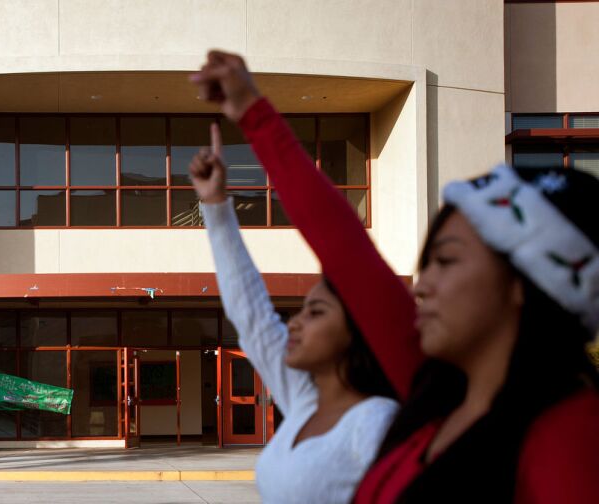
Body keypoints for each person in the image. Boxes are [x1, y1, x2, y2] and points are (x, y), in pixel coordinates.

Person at [189, 50, 599, 503]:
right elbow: (342, 245)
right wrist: (251, 113)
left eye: (446, 261)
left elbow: (344, 250)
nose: (421, 285)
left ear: (523, 281)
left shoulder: (571, 436)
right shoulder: (436, 393)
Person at [189, 123, 398, 503]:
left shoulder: (376, 421)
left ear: (358, 329)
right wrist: (216, 206)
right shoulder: (303, 403)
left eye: (316, 312)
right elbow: (250, 313)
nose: (295, 322)